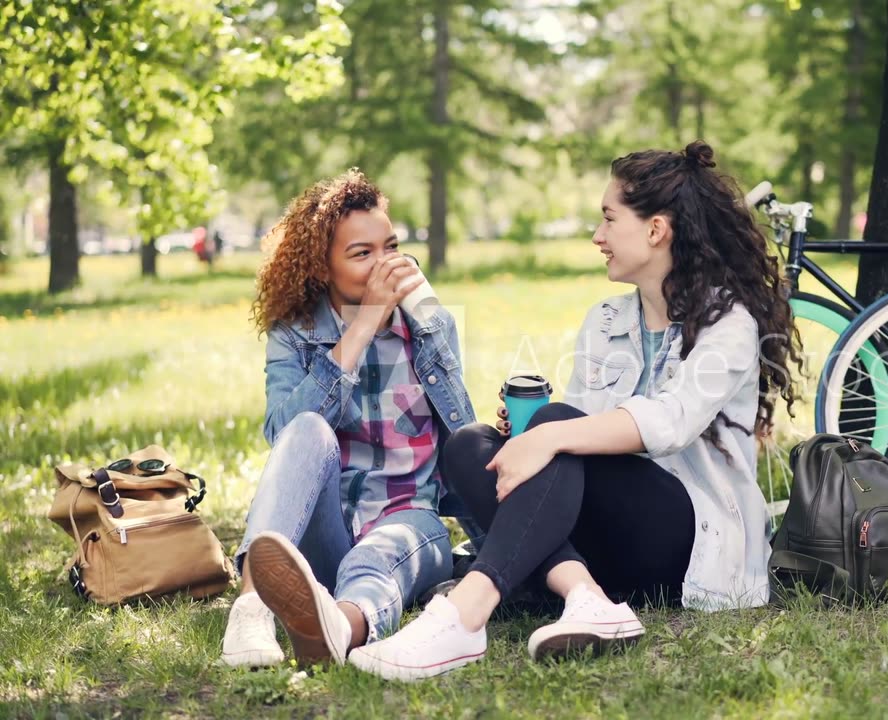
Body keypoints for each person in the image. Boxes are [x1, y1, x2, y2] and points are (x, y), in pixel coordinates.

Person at [348, 141, 801, 681]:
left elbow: (671, 422)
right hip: (609, 541)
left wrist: (547, 436)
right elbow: (573, 438)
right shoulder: (606, 319)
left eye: (610, 219)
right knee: (471, 446)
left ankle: (466, 613)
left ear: (656, 230)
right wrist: (528, 435)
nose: (598, 236)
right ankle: (587, 598)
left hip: (690, 543)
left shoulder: (729, 324)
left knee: (553, 429)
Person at [219, 170, 481, 668]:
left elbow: (459, 430)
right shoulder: (294, 335)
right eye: (362, 254)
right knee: (308, 426)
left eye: (391, 246)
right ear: (323, 267)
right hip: (328, 530)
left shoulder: (431, 324)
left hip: (410, 522)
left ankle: (337, 627)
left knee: (377, 556)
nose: (384, 264)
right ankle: (251, 610)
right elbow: (285, 435)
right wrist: (361, 328)